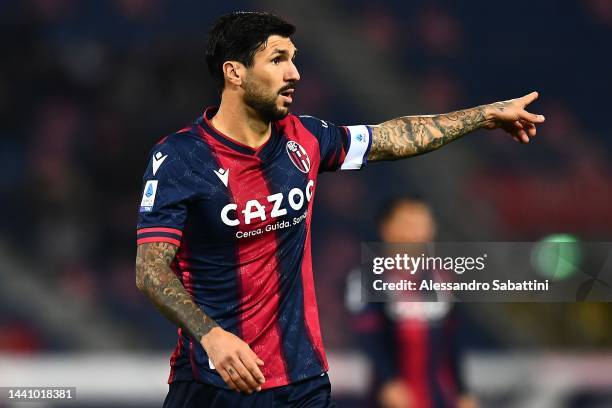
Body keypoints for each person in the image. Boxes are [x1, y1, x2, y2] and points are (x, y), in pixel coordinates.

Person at [134, 11, 544, 407]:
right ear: (234, 73)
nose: (293, 73)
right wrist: (211, 336)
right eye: (278, 59)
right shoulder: (180, 159)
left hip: (303, 382)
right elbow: (150, 270)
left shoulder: (307, 138)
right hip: (214, 380)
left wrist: (484, 115)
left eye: (293, 59)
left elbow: (392, 137)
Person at [346, 198, 478, 408]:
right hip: (390, 398)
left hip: (439, 396)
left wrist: (463, 391)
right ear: (387, 229)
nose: (416, 233)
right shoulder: (368, 278)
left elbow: (453, 340)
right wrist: (390, 381)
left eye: (422, 224)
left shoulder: (443, 278)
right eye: (408, 224)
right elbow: (369, 337)